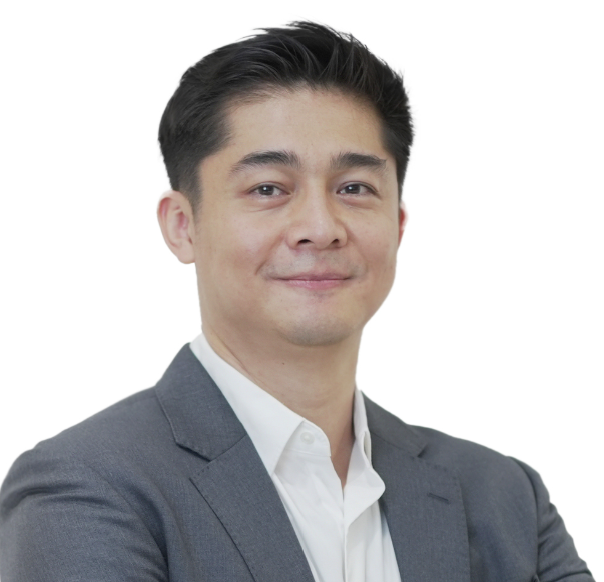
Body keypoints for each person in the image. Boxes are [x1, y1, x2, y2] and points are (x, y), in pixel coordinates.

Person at [0, 21, 594, 582]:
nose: (320, 227)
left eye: (354, 188)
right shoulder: (86, 488)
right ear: (183, 226)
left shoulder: (503, 496)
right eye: (268, 188)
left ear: (397, 225)